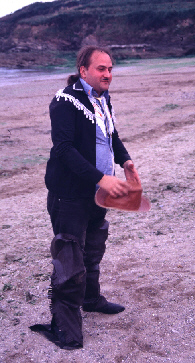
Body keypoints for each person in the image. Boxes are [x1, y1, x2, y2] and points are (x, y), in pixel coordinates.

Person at [31, 45, 140, 350]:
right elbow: (64, 149)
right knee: (70, 259)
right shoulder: (65, 101)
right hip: (69, 195)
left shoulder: (103, 100)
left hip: (97, 194)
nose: (108, 74)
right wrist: (101, 177)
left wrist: (125, 161)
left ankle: (91, 300)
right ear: (83, 71)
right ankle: (65, 328)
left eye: (110, 69)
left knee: (93, 250)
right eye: (101, 69)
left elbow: (112, 136)